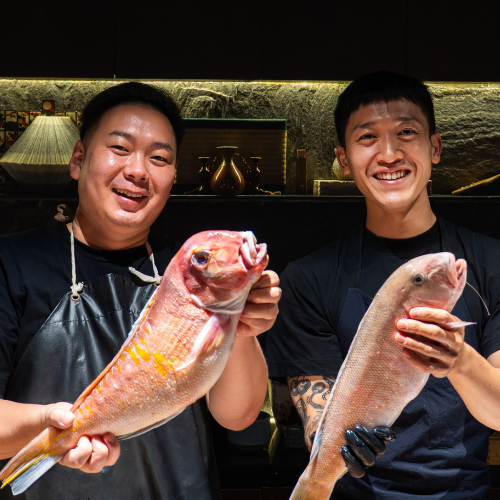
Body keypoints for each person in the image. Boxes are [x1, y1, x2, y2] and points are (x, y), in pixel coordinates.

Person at [0, 82, 281, 500]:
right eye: (119, 148)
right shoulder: (12, 263)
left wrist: (240, 327)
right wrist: (51, 425)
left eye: (159, 158)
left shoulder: (190, 273)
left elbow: (238, 416)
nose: (138, 171)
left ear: (173, 177)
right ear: (78, 160)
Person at [265, 71, 500, 499]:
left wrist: (460, 360)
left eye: (406, 132)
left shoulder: (492, 263)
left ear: (435, 147)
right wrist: (340, 446)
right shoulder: (309, 278)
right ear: (343, 159)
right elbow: (317, 417)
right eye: (367, 137)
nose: (389, 154)